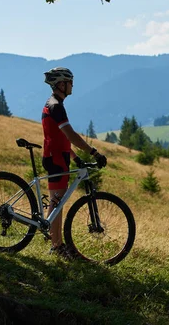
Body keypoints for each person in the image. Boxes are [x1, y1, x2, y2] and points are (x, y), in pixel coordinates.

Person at [41, 67, 107, 258]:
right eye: (70, 82)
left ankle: (54, 240)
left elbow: (60, 138)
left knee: (56, 202)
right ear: (61, 84)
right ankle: (57, 246)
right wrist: (93, 152)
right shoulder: (56, 106)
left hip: (57, 156)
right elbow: (70, 135)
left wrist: (76, 158)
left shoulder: (53, 104)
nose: (72, 86)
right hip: (55, 158)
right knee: (57, 203)